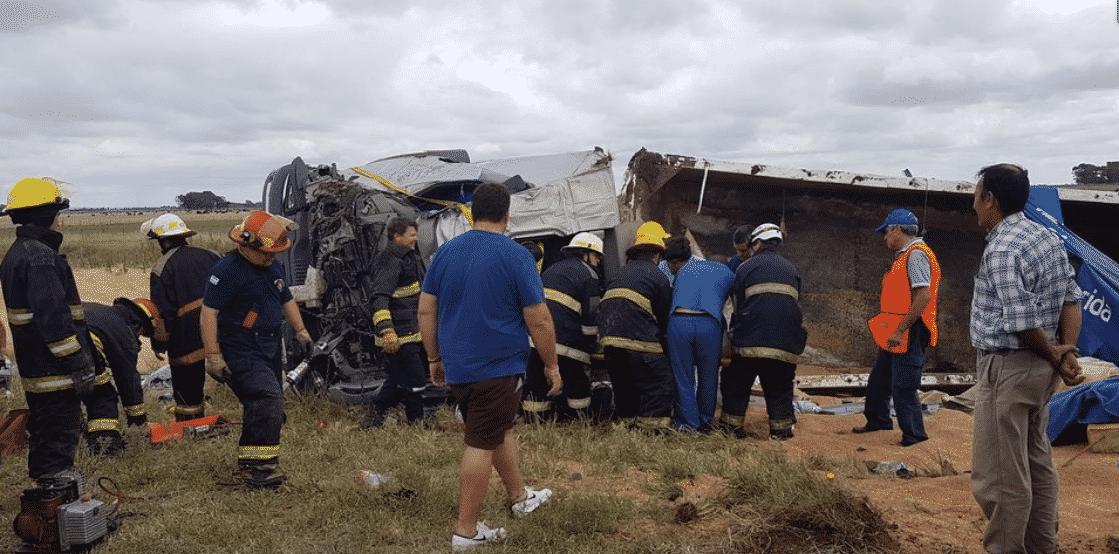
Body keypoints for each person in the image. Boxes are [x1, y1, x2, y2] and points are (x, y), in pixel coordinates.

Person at [418, 182, 558, 550]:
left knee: (499, 429)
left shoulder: (445, 254)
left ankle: (519, 498)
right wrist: (551, 365)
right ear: (507, 214)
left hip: (460, 367)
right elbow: (539, 319)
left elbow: (425, 309)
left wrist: (434, 358)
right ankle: (466, 531)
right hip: (497, 366)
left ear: (471, 212)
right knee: (480, 441)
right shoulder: (516, 255)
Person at [968, 163, 1084, 554]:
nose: (974, 205)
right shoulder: (1047, 237)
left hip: (1010, 369)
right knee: (1036, 464)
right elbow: (1072, 298)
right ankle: (1042, 547)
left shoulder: (1002, 248)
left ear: (990, 200)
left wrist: (1054, 351)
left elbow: (1020, 322)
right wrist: (1064, 352)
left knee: (1000, 475)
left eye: (976, 196)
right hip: (1040, 370)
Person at [0, 177, 107, 483]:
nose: (60, 219)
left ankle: (51, 501)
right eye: (57, 212)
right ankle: (52, 500)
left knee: (49, 434)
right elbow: (54, 322)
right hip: (55, 373)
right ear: (47, 215)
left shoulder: (22, 252)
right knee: (56, 438)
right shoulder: (40, 258)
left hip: (39, 370)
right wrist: (79, 364)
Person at [200, 210, 311, 488]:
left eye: (275, 253)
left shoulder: (272, 267)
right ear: (246, 244)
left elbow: (286, 300)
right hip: (240, 346)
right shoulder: (226, 271)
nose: (271, 257)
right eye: (267, 253)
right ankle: (260, 470)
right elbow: (208, 313)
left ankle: (254, 464)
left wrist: (301, 331)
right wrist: (213, 356)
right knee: (265, 398)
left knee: (262, 403)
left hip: (270, 345)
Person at [854, 208, 940, 446]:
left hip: (909, 330)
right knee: (880, 379)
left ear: (897, 230)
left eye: (886, 232)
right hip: (896, 330)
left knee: (904, 385)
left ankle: (914, 436)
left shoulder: (916, 254)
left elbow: (923, 296)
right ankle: (878, 420)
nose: (884, 237)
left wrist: (901, 329)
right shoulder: (905, 255)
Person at [721, 223, 806, 440]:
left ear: (757, 243)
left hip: (750, 344)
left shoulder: (744, 268)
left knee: (737, 384)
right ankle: (781, 432)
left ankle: (731, 429)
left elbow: (739, 307)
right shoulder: (792, 269)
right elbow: (794, 306)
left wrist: (735, 335)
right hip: (785, 346)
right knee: (780, 388)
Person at [144, 213, 221, 422]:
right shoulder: (212, 255)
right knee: (235, 374)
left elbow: (162, 313)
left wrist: (159, 343)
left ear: (162, 241)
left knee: (188, 389)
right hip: (220, 328)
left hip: (186, 336)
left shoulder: (162, 267)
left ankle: (190, 424)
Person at [598, 221, 675, 431]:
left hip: (610, 342)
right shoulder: (658, 277)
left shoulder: (618, 275)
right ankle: (652, 431)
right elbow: (664, 319)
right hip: (640, 341)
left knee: (624, 386)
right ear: (657, 254)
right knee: (658, 383)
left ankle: (628, 425)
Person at [523, 232, 603, 423]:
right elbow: (591, 318)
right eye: (597, 257)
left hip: (537, 339)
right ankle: (579, 422)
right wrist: (594, 345)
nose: (598, 262)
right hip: (568, 342)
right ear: (587, 254)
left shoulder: (551, 269)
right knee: (576, 382)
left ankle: (535, 422)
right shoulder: (590, 275)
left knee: (536, 382)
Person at [663, 236, 734, 433]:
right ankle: (704, 424)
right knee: (709, 376)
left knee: (683, 376)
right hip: (710, 324)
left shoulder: (683, 268)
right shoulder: (727, 272)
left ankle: (687, 425)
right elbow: (733, 303)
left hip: (680, 320)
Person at [362, 216, 428, 428]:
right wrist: (386, 331)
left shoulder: (409, 257)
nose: (415, 239)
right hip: (398, 335)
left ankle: (373, 417)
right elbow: (378, 299)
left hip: (411, 331)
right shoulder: (390, 260)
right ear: (397, 236)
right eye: (411, 235)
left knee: (398, 378)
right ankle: (416, 423)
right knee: (415, 380)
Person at [85, 298, 164, 428]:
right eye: (143, 332)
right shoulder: (125, 332)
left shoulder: (104, 313)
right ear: (140, 324)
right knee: (104, 399)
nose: (139, 336)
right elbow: (128, 380)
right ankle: (105, 443)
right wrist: (138, 421)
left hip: (48, 351)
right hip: (81, 354)